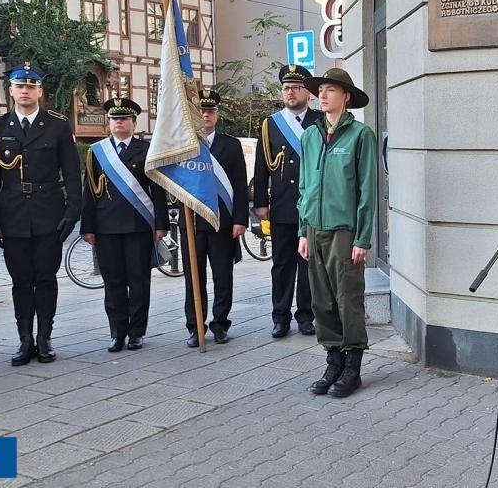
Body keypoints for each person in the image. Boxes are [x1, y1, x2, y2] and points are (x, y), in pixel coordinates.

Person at [0, 63, 82, 366]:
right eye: (19, 86)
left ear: (40, 91)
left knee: (46, 278)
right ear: (10, 91)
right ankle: (24, 339)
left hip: (48, 210)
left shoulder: (58, 125)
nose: (25, 91)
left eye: (31, 86)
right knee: (21, 280)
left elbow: (72, 172)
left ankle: (45, 338)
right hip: (12, 214)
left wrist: (72, 211)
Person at [298, 68, 378, 398]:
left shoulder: (360, 135)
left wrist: (362, 238)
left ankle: (352, 367)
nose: (324, 95)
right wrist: (304, 230)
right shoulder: (311, 135)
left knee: (348, 300)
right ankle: (333, 360)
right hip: (314, 229)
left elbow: (367, 189)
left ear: (346, 96)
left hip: (344, 231)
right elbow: (305, 185)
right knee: (322, 301)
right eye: (321, 90)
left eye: (332, 89)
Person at [81, 98, 169, 352]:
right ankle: (117, 332)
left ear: (133, 122)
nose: (118, 122)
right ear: (109, 123)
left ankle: (137, 332)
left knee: (139, 281)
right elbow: (90, 191)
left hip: (138, 225)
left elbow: (158, 190)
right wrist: (87, 227)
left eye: (124, 118)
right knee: (113, 282)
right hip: (106, 226)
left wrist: (161, 224)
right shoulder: (97, 152)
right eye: (114, 119)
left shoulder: (147, 150)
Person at [253, 64, 322, 338]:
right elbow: (260, 166)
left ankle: (306, 315)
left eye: (295, 88)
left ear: (307, 92)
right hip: (281, 205)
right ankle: (280, 316)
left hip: (312, 206)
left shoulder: (319, 120)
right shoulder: (271, 124)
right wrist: (260, 202)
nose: (290, 93)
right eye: (286, 88)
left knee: (308, 265)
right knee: (282, 264)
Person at [182, 89, 249, 347]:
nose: (206, 116)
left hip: (222, 222)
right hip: (193, 223)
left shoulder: (230, 145)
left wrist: (240, 220)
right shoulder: (185, 144)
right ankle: (195, 325)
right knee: (193, 278)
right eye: (201, 111)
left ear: (217, 115)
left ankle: (220, 324)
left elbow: (240, 186)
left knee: (223, 276)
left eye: (210, 111)